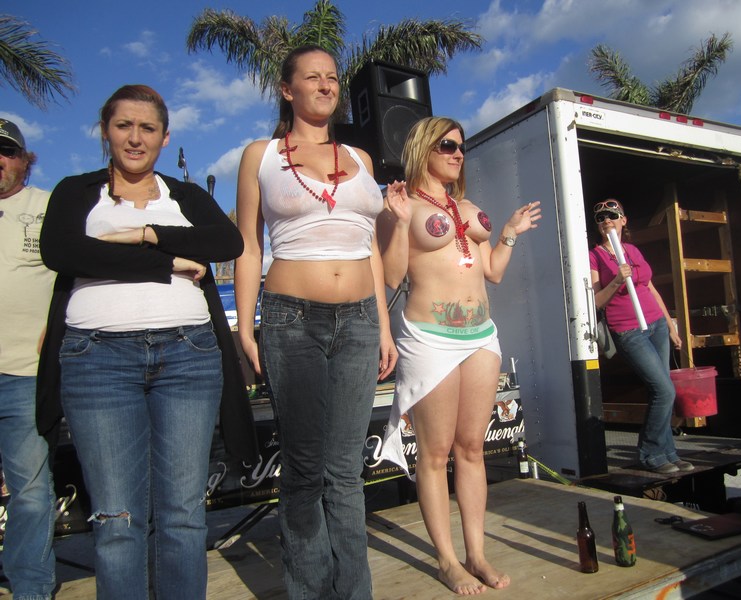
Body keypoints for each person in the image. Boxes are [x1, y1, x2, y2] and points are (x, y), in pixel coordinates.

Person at [36, 85, 258, 599]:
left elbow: (227, 241)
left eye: (147, 128)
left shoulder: (185, 197)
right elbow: (63, 252)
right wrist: (170, 262)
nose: (135, 138)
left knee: (183, 514)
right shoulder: (75, 191)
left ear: (164, 137)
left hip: (188, 356)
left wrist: (145, 235)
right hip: (97, 360)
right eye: (124, 126)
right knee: (117, 519)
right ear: (105, 131)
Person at [234, 45, 397, 599]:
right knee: (304, 469)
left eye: (332, 77)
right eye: (312, 77)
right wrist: (246, 328)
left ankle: (354, 592)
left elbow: (371, 249)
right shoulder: (260, 156)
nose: (326, 85)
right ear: (288, 89)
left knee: (345, 471)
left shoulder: (361, 158)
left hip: (359, 321)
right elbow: (248, 246)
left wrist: (383, 325)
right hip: (291, 320)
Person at [378, 116, 541, 595]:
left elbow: (492, 272)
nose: (457, 153)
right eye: (447, 145)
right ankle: (447, 561)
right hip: (429, 337)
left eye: (461, 147)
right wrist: (397, 221)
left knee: (472, 448)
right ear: (424, 148)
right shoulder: (402, 204)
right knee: (434, 453)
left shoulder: (468, 207)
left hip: (481, 335)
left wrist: (508, 232)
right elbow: (390, 277)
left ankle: (476, 554)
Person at [589, 199, 693, 474]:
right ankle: (650, 454)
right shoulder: (595, 256)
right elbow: (597, 301)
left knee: (663, 390)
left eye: (612, 215)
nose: (606, 220)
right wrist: (616, 280)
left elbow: (650, 288)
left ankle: (668, 452)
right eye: (600, 218)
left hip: (656, 324)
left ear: (623, 220)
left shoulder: (632, 250)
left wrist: (670, 325)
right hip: (628, 329)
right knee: (664, 390)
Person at [0, 119, 56, 600]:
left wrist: (54, 330)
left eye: (6, 151)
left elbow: (75, 276)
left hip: (24, 372)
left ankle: (31, 588)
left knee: (31, 493)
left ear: (24, 159)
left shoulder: (50, 206)